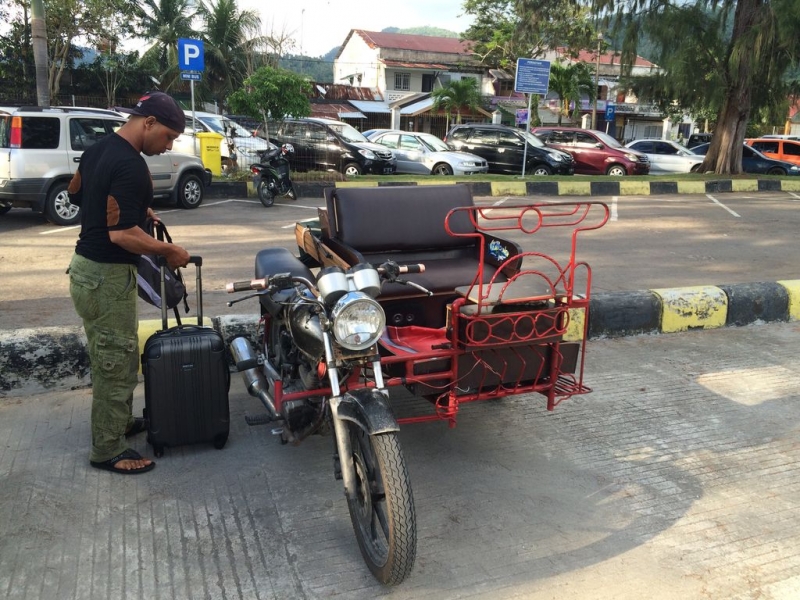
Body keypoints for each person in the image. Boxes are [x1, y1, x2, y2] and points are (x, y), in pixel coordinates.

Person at [67, 92, 191, 474]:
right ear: (148, 122)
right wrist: (168, 251)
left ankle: (117, 423)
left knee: (108, 355)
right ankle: (107, 450)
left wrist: (137, 209)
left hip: (85, 271)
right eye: (168, 136)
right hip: (107, 276)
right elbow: (121, 235)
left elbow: (76, 194)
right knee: (116, 363)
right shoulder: (131, 166)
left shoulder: (97, 149)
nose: (168, 145)